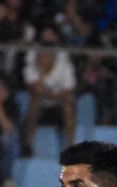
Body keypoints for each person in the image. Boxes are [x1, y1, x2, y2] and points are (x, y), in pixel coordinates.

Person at [21, 24, 76, 156]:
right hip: (41, 104)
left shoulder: (64, 65)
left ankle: (71, 146)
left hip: (59, 103)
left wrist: (50, 95)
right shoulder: (31, 66)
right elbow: (36, 89)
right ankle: (28, 144)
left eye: (46, 55)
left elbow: (68, 92)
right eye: (41, 55)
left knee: (68, 104)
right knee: (34, 101)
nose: (43, 57)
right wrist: (41, 72)